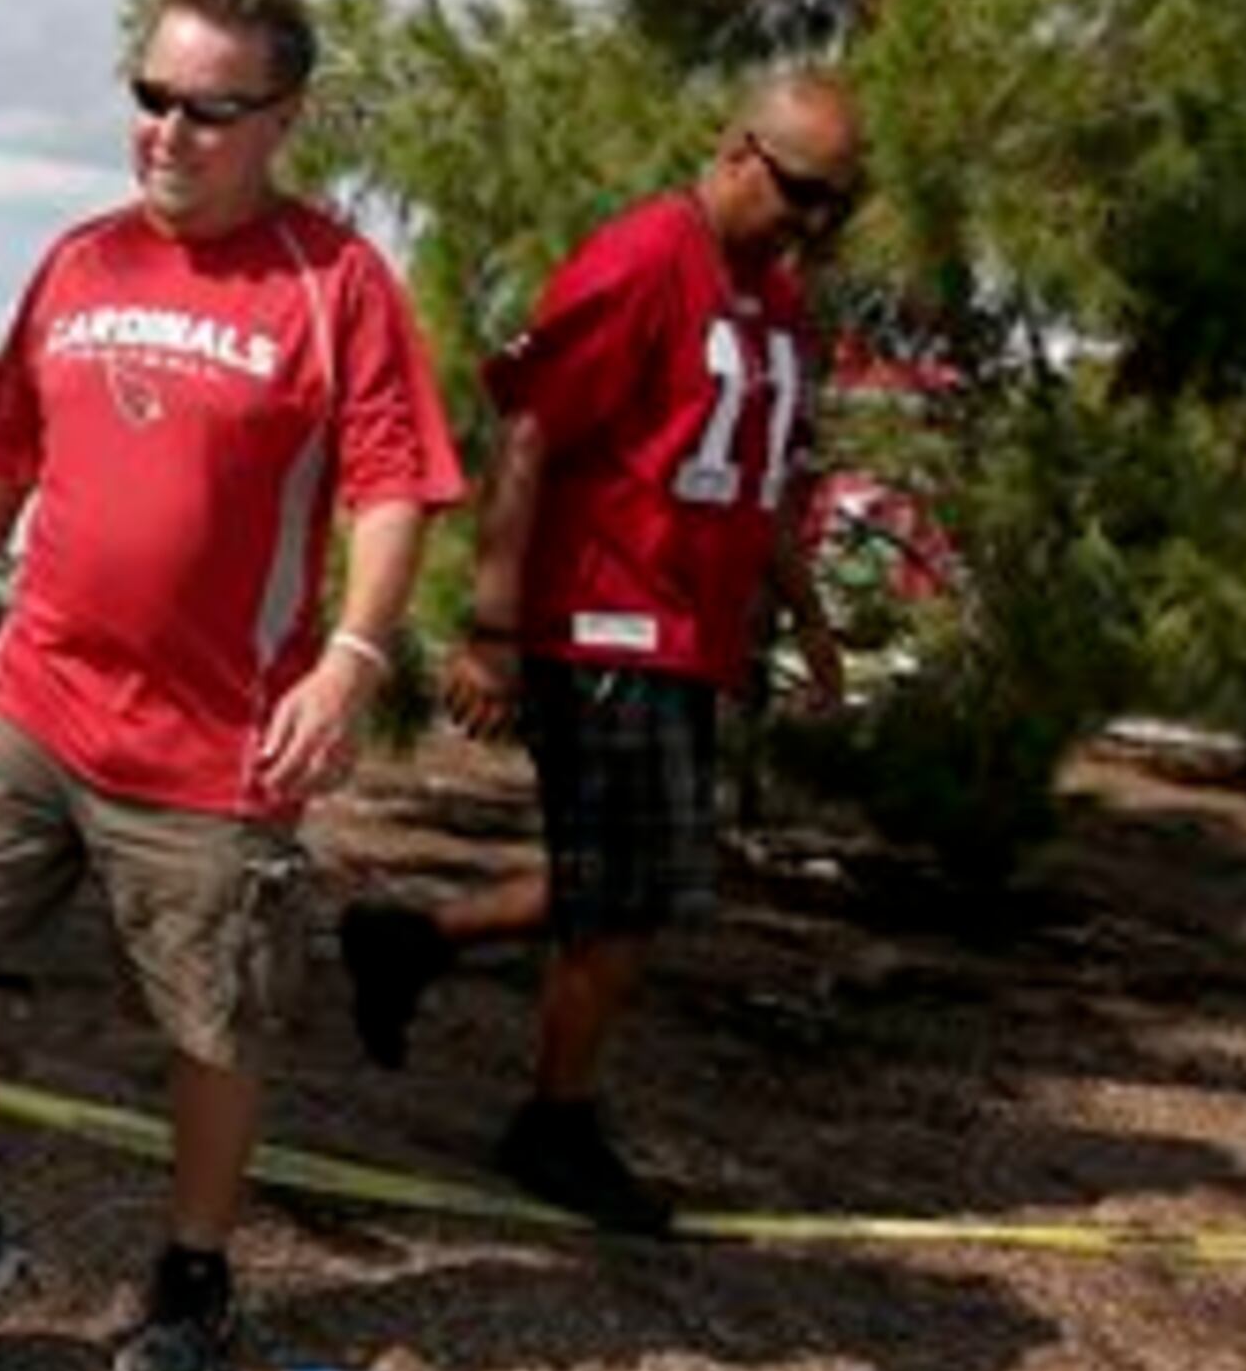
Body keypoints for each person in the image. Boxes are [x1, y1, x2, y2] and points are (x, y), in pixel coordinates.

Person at [0, 0, 465, 1371]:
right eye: (150, 98)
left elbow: (393, 486)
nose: (168, 133)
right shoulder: (77, 261)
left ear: (282, 119)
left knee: (213, 1020)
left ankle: (192, 1271)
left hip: (216, 736)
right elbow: (3, 453)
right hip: (37, 691)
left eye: (209, 109)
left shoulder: (338, 286)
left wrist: (355, 660)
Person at [337, 71, 865, 1234]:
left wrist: (816, 629)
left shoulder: (775, 304)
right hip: (606, 623)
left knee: (637, 884)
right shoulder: (640, 259)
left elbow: (768, 486)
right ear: (737, 152)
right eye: (803, 193)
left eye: (840, 204)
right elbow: (529, 437)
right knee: (625, 899)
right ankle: (554, 1123)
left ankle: (411, 939)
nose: (816, 223)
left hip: (691, 638)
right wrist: (493, 625)